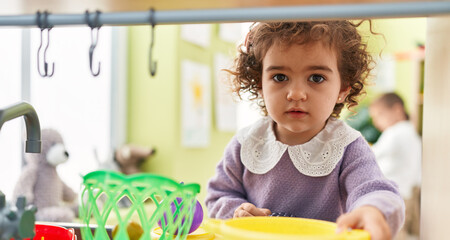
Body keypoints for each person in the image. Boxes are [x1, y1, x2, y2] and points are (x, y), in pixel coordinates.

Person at [205, 21, 405, 240]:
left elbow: (375, 191)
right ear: (260, 84)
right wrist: (236, 211)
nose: (296, 94)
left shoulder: (347, 146)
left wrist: (372, 210)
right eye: (280, 77)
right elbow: (219, 195)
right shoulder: (246, 143)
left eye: (316, 78)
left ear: (343, 88)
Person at [369, 92, 421, 238]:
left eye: (379, 115)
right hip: (407, 191)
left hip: (394, 193)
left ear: (397, 109)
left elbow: (370, 155)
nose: (375, 122)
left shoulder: (395, 132)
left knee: (393, 232)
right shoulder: (410, 132)